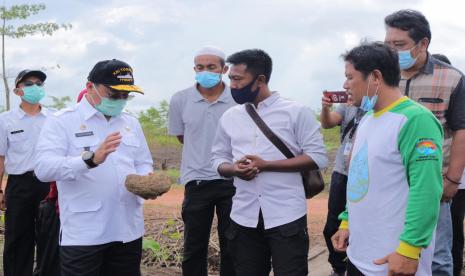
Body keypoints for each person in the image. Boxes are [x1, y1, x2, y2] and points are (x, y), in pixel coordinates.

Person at [211, 49, 328, 276]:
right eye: (230, 79)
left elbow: (318, 157)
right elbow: (218, 158)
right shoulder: (230, 116)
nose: (232, 85)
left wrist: (267, 165)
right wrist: (233, 169)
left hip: (286, 215)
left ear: (260, 80)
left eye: (237, 79)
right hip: (243, 216)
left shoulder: (296, 112)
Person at [331, 41, 443, 275]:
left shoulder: (415, 120)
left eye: (350, 77)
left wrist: (409, 249)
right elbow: (359, 178)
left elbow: (426, 189)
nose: (345, 85)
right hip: (359, 254)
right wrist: (347, 221)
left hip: (393, 261)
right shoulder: (368, 118)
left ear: (375, 77)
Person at [34, 59, 153, 276]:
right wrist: (89, 160)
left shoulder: (130, 123)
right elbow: (43, 169)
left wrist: (146, 182)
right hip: (85, 233)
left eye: (125, 96)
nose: (120, 100)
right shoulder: (63, 121)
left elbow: (143, 162)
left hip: (127, 230)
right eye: (113, 94)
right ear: (90, 87)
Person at [384, 10, 465, 275]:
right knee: (389, 245)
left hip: (432, 182)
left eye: (400, 45)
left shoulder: (452, 78)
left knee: (438, 253)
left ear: (423, 44)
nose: (393, 52)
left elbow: (460, 130)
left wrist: (452, 180)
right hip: (389, 181)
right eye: (388, 45)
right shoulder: (383, 76)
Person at [168, 46, 236, 276]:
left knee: (232, 244)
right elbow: (182, 136)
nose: (205, 71)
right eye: (200, 67)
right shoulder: (180, 99)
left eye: (211, 67)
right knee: (194, 246)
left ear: (224, 69)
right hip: (197, 180)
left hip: (233, 180)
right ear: (194, 69)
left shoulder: (238, 100)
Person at [0, 69, 52, 276]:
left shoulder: (55, 118)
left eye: (39, 83)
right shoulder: (5, 120)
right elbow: (1, 157)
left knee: (49, 238)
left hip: (49, 184)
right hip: (19, 185)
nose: (35, 88)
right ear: (17, 91)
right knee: (18, 237)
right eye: (28, 84)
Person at [320, 95, 364, 276]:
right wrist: (325, 108)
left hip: (364, 173)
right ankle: (338, 268)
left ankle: (355, 265)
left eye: (350, 78)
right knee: (333, 223)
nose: (346, 85)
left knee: (361, 221)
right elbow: (328, 123)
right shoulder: (348, 105)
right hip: (343, 171)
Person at [432, 53, 465, 276]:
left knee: (449, 232)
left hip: (452, 180)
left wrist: (452, 179)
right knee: (450, 231)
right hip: (449, 180)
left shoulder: (457, 98)